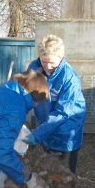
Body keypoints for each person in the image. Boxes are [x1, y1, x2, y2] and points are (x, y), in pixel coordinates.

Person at [25, 34, 86, 174]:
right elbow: (26, 94)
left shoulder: (70, 78)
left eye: (52, 62)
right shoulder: (34, 69)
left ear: (61, 57)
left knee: (65, 175)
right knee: (46, 171)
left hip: (65, 131)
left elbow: (63, 112)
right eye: (44, 61)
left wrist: (39, 134)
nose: (48, 66)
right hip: (45, 126)